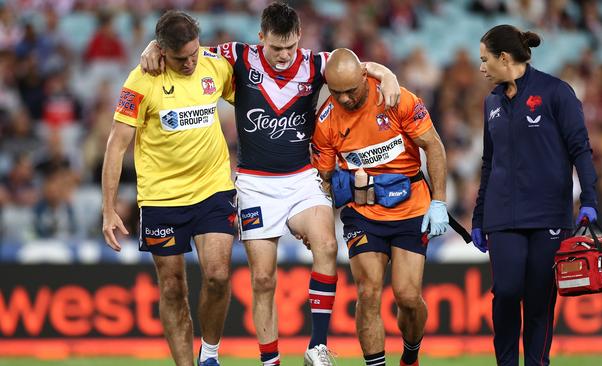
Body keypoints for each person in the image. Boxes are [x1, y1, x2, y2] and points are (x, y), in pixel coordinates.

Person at [140, 3, 401, 365]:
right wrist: (153, 48)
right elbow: (187, 50)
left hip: (301, 178)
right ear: (261, 37)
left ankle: (318, 347)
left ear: (300, 39)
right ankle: (271, 362)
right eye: (276, 47)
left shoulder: (315, 64)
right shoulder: (238, 56)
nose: (284, 56)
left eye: (291, 47)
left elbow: (355, 66)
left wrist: (386, 74)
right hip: (255, 184)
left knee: (326, 245)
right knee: (263, 280)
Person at [102, 11, 237, 366]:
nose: (191, 62)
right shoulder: (140, 81)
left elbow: (259, 89)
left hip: (213, 190)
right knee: (174, 288)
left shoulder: (214, 65)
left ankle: (209, 354)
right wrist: (108, 208)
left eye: (194, 53)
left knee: (219, 275)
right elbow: (116, 145)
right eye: (181, 58)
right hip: (161, 199)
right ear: (162, 51)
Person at [311, 48, 449, 366]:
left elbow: (434, 146)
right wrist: (319, 218)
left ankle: (410, 355)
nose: (344, 99)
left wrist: (439, 201)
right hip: (362, 215)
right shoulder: (327, 120)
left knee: (408, 297)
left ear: (364, 76)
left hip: (411, 209)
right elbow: (325, 180)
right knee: (368, 291)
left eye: (350, 91)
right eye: (336, 92)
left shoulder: (395, 98)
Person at [471, 25, 598, 366]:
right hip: (502, 217)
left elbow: (581, 150)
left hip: (548, 215)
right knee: (507, 292)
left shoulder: (557, 92)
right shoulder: (491, 103)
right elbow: (488, 162)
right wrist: (479, 216)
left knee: (540, 300)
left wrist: (589, 200)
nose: (481, 67)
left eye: (485, 60)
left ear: (504, 58)